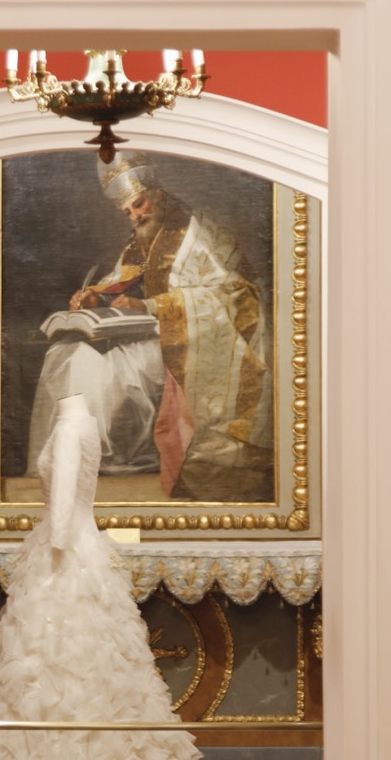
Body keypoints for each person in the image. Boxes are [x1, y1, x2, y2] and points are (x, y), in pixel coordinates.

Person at [0, 393, 324, 760]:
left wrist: (49, 552)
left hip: (64, 551)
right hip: (75, 545)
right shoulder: (83, 422)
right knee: (71, 659)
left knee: (56, 657)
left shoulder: (72, 427)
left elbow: (63, 502)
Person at [25, 154, 270, 501]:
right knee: (71, 354)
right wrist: (96, 297)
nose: (136, 216)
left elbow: (235, 296)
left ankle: (106, 460)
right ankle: (78, 463)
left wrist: (153, 306)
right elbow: (124, 277)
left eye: (138, 205)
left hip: (192, 340)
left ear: (157, 194)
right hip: (160, 332)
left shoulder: (201, 234)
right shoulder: (143, 236)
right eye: (128, 212)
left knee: (107, 368)